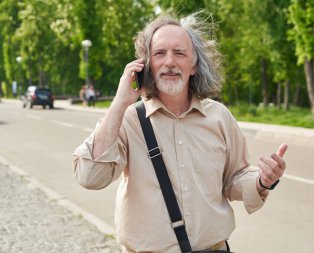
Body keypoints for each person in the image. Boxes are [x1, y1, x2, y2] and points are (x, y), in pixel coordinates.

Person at [73, 11, 288, 253]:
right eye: (159, 53)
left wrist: (262, 181)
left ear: (194, 65)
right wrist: (120, 102)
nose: (170, 62)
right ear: (146, 65)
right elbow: (90, 177)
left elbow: (233, 179)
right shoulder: (129, 120)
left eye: (180, 53)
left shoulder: (219, 116)